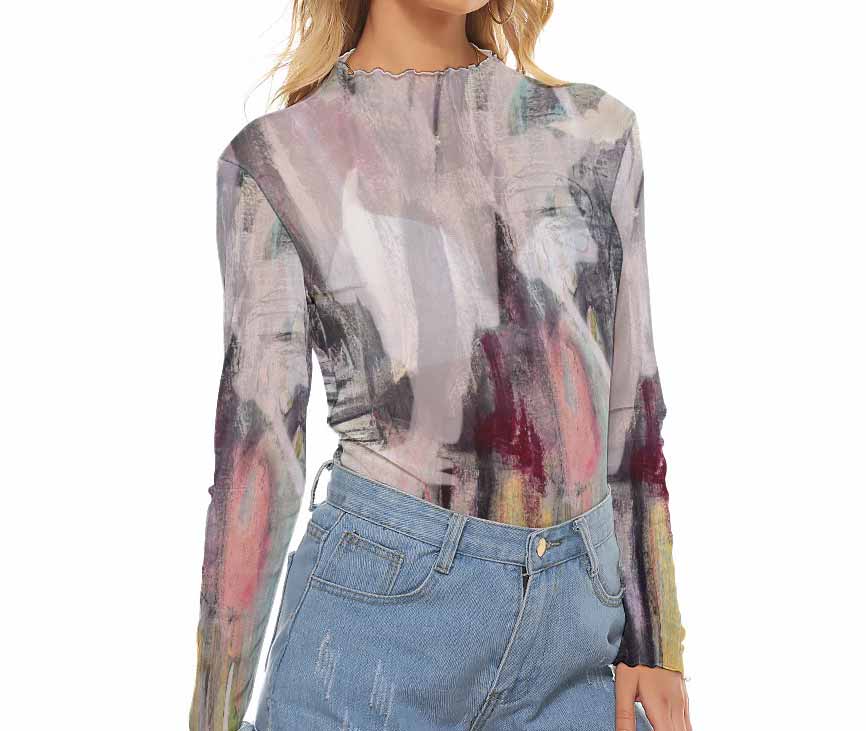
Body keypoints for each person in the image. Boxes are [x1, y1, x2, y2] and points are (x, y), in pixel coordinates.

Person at [189, 2, 691, 730]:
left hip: (576, 636)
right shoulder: (278, 160)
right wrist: (212, 713)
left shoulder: (596, 133)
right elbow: (257, 460)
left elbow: (632, 410)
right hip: (370, 635)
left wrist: (656, 638)